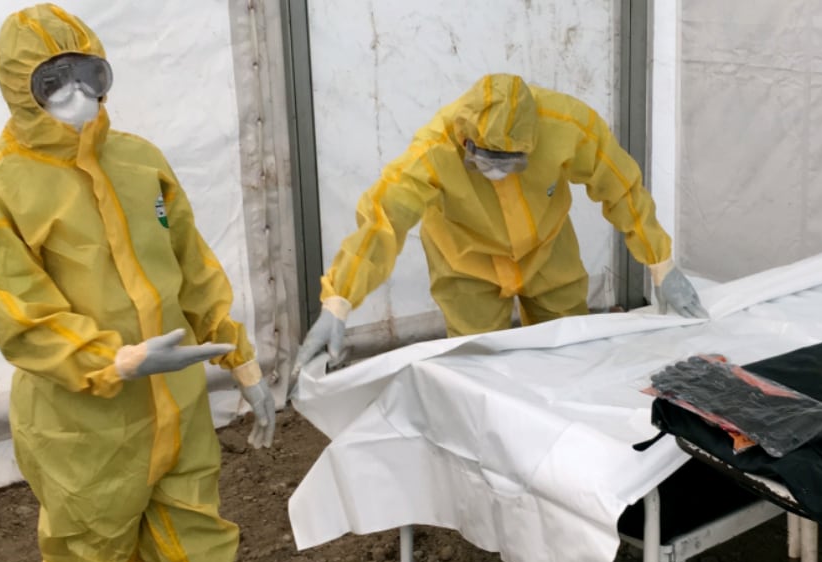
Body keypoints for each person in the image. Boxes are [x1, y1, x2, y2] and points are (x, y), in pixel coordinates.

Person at [0, 4, 269, 562]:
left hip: (177, 411)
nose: (77, 96)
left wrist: (243, 361)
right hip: (84, 432)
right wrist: (113, 358)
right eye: (52, 83)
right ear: (20, 90)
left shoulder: (140, 162)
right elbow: (18, 313)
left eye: (89, 73)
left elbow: (194, 268)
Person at [292, 73, 708, 377]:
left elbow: (621, 188)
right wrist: (339, 300)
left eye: (513, 161)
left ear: (534, 140)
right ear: (464, 140)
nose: (498, 171)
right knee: (479, 368)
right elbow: (382, 223)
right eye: (486, 160)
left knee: (570, 353)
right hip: (466, 264)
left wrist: (661, 264)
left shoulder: (568, 127)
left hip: (548, 254)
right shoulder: (433, 151)